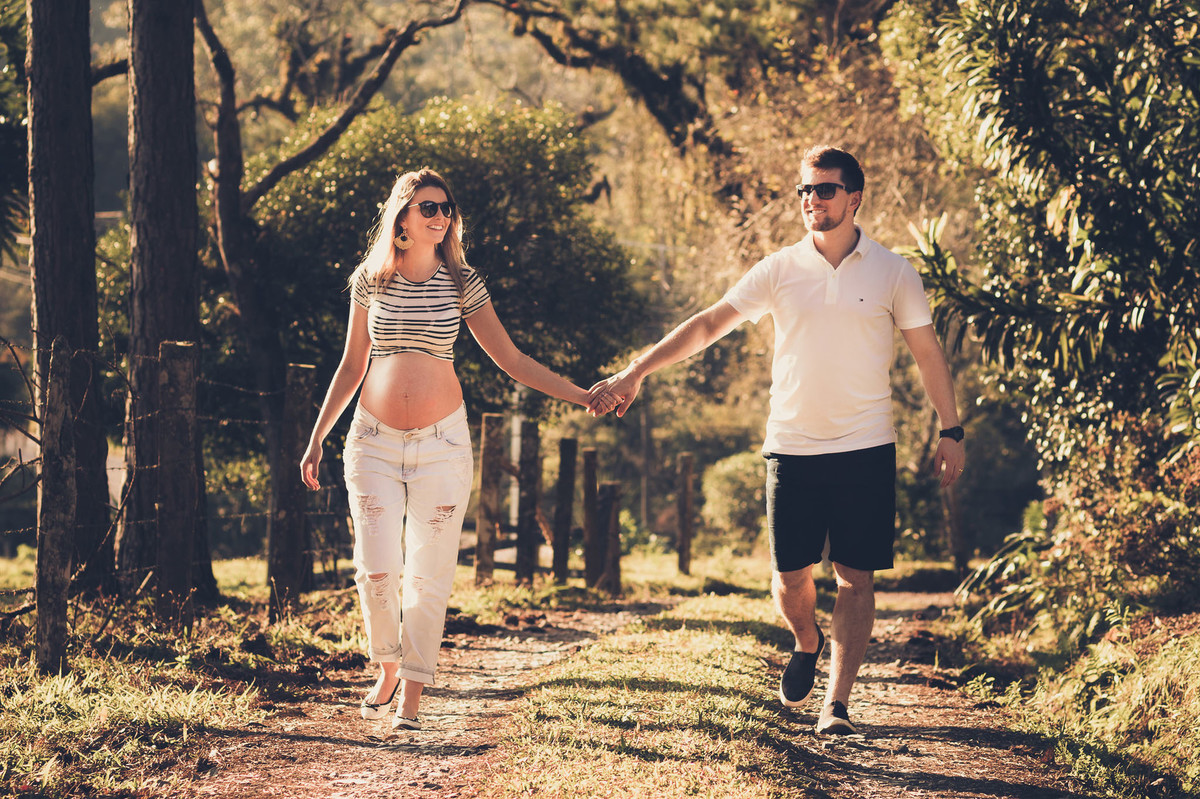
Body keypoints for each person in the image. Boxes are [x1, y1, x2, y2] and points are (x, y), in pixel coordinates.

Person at [588, 146, 965, 735]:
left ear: (855, 197)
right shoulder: (779, 268)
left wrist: (951, 428)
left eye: (825, 190)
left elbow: (927, 354)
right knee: (790, 577)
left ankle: (836, 703)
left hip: (866, 446)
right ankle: (806, 639)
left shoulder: (893, 272)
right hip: (792, 445)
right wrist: (635, 371)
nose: (812, 200)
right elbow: (710, 324)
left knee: (854, 577)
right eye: (805, 191)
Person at [301, 168, 619, 731]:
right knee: (375, 568)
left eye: (446, 207)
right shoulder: (369, 281)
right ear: (402, 216)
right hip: (370, 442)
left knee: (429, 572)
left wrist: (580, 396)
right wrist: (317, 436)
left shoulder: (463, 282)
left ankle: (414, 694)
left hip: (442, 444)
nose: (440, 216)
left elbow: (512, 360)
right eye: (428, 207)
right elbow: (351, 365)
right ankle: (388, 665)